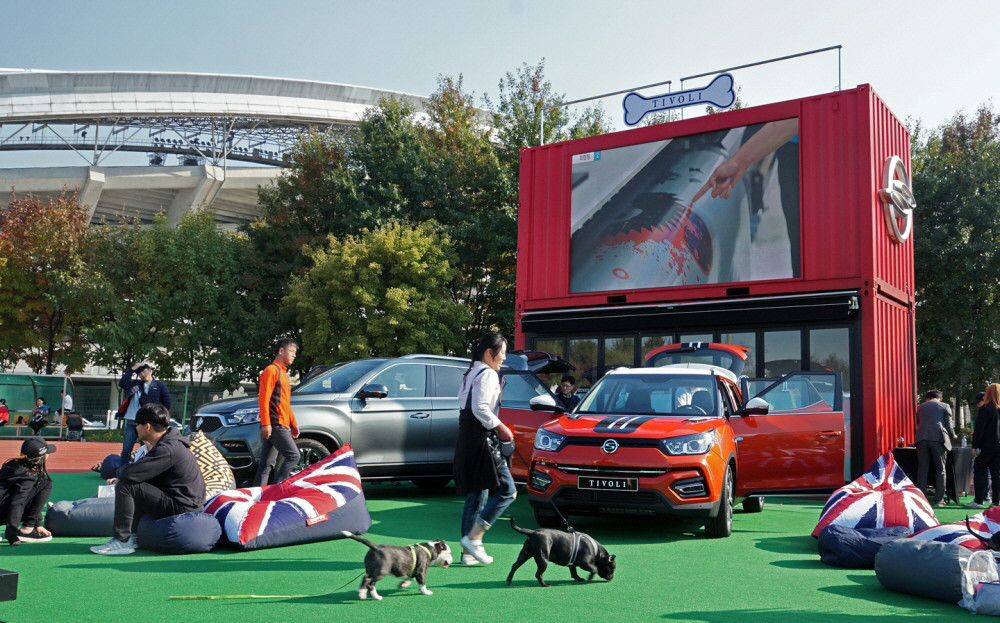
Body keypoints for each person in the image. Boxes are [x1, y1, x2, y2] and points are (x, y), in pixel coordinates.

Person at [90, 404, 205, 555]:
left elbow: (131, 472)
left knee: (126, 485)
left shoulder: (167, 448)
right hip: (183, 501)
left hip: (182, 506)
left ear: (147, 427)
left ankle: (122, 540)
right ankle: (133, 535)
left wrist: (119, 473)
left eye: (138, 425)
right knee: (134, 483)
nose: (136, 429)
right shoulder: (170, 442)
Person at [454, 332, 516, 566]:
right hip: (481, 438)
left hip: (467, 437)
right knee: (508, 491)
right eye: (502, 353)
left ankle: (468, 554)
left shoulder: (472, 371)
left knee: (476, 494)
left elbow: (465, 405)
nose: (504, 358)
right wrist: (501, 427)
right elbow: (480, 407)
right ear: (490, 353)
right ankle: (474, 539)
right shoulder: (488, 373)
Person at [252, 338, 301, 487]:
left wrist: (293, 424)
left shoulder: (283, 373)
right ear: (281, 351)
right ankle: (278, 489)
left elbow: (285, 403)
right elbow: (264, 399)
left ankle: (258, 494)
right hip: (275, 424)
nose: (294, 355)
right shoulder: (271, 370)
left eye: (295, 353)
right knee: (294, 456)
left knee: (267, 463)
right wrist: (266, 423)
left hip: (279, 424)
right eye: (292, 351)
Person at [0, 438, 56, 546]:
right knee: (47, 484)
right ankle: (27, 529)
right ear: (41, 457)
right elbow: (17, 502)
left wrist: (38, 523)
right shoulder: (28, 476)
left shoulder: (13, 463)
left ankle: (30, 525)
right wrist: (11, 534)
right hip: (3, 511)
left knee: (43, 483)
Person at [118, 362, 171, 465]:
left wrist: (157, 418)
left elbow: (166, 404)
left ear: (150, 370)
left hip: (148, 424)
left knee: (148, 449)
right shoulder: (135, 384)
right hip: (132, 422)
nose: (142, 374)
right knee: (126, 450)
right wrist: (133, 369)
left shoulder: (160, 385)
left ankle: (146, 472)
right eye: (139, 373)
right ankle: (122, 473)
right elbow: (122, 383)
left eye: (143, 371)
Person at [914, 389, 955, 506]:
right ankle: (939, 499)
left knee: (922, 468)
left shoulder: (921, 407)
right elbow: (948, 425)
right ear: (940, 398)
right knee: (940, 469)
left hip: (922, 438)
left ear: (927, 398)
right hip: (938, 438)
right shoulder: (945, 406)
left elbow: (918, 423)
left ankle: (921, 498)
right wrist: (953, 435)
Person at [968, 384, 1000, 509]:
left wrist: (974, 446)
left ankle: (979, 501)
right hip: (998, 447)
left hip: (986, 446)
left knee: (980, 472)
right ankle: (995, 502)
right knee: (996, 475)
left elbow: (980, 429)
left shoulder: (985, 408)